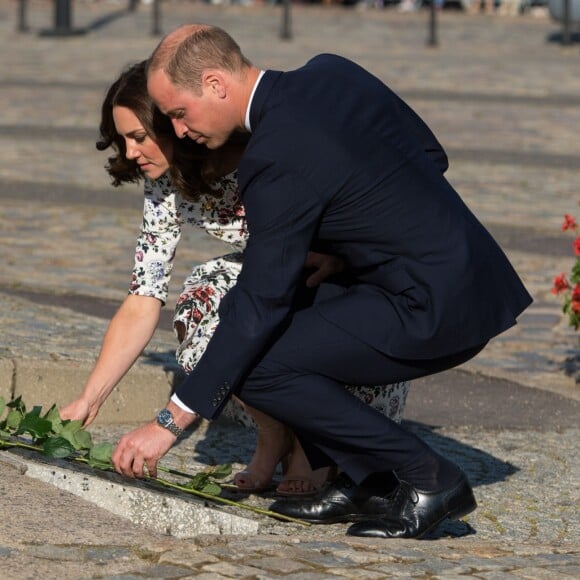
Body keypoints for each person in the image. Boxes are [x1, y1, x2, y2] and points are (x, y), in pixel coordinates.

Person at [111, 24, 532, 539]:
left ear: (217, 84)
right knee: (284, 320)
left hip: (433, 305)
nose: (177, 131)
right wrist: (343, 251)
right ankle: (372, 481)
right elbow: (429, 155)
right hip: (460, 276)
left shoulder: (271, 158)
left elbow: (260, 301)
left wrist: (170, 422)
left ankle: (431, 479)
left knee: (257, 364)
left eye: (179, 113)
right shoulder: (332, 71)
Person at [59, 61, 411, 497]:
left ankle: (313, 445)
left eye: (138, 137)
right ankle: (273, 432)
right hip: (266, 284)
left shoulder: (264, 152)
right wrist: (90, 399)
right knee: (204, 297)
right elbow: (144, 294)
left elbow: (369, 205)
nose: (130, 153)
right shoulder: (164, 183)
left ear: (175, 124)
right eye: (122, 140)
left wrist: (341, 257)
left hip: (340, 292)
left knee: (283, 308)